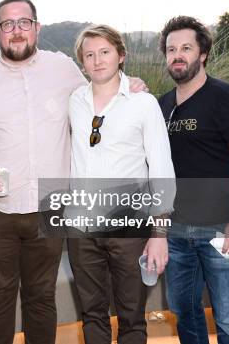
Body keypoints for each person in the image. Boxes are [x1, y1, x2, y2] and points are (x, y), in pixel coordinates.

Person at [0, 0, 146, 344]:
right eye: (7, 24)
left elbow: (98, 90)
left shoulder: (63, 69)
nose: (16, 31)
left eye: (23, 22)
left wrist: (129, 84)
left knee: (41, 297)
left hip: (50, 207)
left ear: (36, 27)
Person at [67, 24, 175, 344]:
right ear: (82, 63)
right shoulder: (75, 100)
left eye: (105, 52)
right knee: (92, 315)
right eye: (89, 55)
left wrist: (159, 234)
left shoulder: (144, 104)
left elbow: (161, 170)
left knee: (131, 318)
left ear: (121, 55)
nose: (97, 60)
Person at [158, 16, 229, 344]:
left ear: (202, 54)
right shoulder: (161, 105)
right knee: (184, 310)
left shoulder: (224, 98)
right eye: (171, 49)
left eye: (186, 48)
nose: (178, 54)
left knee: (228, 315)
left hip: (222, 228)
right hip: (177, 231)